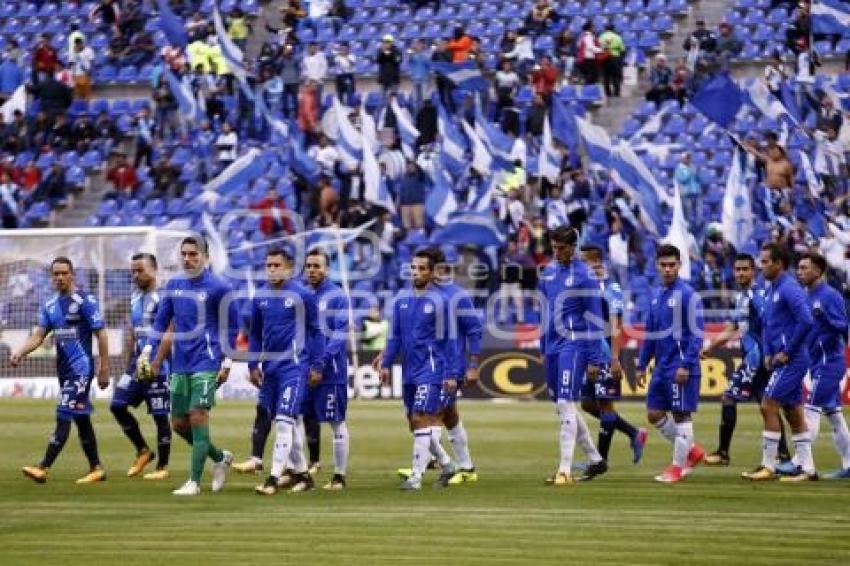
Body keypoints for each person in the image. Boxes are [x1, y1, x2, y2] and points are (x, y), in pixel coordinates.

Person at [136, 236, 237, 496]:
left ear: (205, 256)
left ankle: (194, 481)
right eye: (184, 254)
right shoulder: (174, 285)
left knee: (197, 416)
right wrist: (147, 351)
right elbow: (161, 322)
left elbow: (232, 327)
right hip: (180, 363)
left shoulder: (219, 287)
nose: (188, 258)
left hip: (207, 360)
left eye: (194, 254)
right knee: (179, 424)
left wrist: (226, 362)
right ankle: (220, 457)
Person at [14, 257, 110, 484]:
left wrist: (104, 367)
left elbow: (101, 333)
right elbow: (38, 336)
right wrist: (21, 352)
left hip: (81, 370)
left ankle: (43, 467)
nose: (59, 277)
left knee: (63, 413)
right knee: (81, 417)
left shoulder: (85, 301)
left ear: (72, 274)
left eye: (63, 273)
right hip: (64, 372)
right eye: (55, 274)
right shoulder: (50, 306)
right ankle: (96, 468)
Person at [701, 254, 794, 470]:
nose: (741, 273)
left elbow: (769, 325)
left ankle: (723, 453)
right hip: (754, 357)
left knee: (729, 398)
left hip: (757, 358)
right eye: (737, 269)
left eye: (745, 269)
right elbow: (734, 327)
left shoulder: (757, 295)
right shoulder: (741, 297)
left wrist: (767, 355)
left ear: (754, 271)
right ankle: (783, 456)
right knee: (767, 407)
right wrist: (711, 347)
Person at [380, 248, 456, 490]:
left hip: (431, 368)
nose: (417, 272)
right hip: (410, 369)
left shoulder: (441, 301)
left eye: (422, 268)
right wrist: (385, 364)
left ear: (432, 273)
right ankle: (446, 463)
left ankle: (416, 477)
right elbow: (395, 338)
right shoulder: (401, 299)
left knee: (420, 416)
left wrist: (452, 373)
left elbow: (450, 340)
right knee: (413, 422)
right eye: (414, 268)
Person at [251, 248, 325, 495]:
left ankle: (272, 479)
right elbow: (254, 333)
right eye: (268, 265)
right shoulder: (259, 295)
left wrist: (317, 365)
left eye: (277, 265)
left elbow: (316, 332)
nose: (272, 269)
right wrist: (253, 364)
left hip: (294, 368)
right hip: (269, 370)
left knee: (284, 422)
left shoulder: (302, 294)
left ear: (289, 269)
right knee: (287, 424)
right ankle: (304, 477)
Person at [538, 226, 608, 485]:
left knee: (566, 401)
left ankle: (564, 470)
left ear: (573, 247)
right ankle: (595, 459)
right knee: (561, 405)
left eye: (562, 248)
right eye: (553, 247)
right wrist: (543, 347)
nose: (557, 252)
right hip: (554, 345)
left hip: (575, 342)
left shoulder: (585, 276)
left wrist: (595, 359)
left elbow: (595, 319)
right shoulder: (547, 273)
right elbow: (544, 313)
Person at [742, 243, 815, 482]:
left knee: (767, 404)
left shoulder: (789, 289)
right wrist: (766, 352)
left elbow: (806, 321)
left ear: (779, 264)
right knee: (793, 412)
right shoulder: (772, 288)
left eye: (765, 262)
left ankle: (768, 465)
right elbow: (767, 324)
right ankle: (807, 468)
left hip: (792, 360)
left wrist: (787, 351)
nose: (761, 267)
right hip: (779, 358)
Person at [636, 244, 706, 484]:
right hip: (661, 366)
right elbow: (650, 335)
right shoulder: (656, 297)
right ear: (657, 265)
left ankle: (677, 468)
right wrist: (641, 364)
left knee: (681, 415)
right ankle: (692, 451)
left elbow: (697, 335)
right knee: (654, 414)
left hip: (680, 366)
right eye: (663, 265)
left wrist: (686, 364)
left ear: (679, 265)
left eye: (671, 265)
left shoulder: (688, 295)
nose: (667, 269)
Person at [579, 245, 648, 468]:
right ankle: (633, 433)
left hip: (606, 354)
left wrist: (614, 358)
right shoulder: (588, 287)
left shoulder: (611, 288)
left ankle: (600, 461)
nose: (579, 266)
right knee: (588, 404)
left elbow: (617, 324)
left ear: (596, 261)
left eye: (583, 261)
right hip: (590, 353)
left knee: (605, 406)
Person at [110, 254, 173, 481]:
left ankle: (162, 466)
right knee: (117, 405)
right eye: (133, 271)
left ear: (154, 270)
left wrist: (158, 363)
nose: (135, 275)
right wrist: (129, 362)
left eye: (140, 270)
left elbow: (170, 332)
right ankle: (143, 450)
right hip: (137, 364)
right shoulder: (135, 298)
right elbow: (133, 332)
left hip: (159, 365)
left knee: (160, 415)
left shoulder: (165, 297)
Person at [430, 247, 482, 486]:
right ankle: (466, 467)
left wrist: (473, 365)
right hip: (426, 366)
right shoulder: (421, 294)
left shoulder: (458, 295)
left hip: (451, 365)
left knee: (430, 415)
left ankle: (437, 466)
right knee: (448, 415)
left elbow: (474, 330)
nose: (443, 271)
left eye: (446, 266)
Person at [796, 253, 850, 480]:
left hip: (830, 362)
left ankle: (801, 464)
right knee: (834, 416)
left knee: (811, 410)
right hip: (817, 362)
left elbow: (844, 328)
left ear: (818, 271)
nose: (799, 272)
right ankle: (849, 464)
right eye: (798, 268)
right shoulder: (806, 295)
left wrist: (827, 319)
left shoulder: (830, 296)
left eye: (804, 268)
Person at [301, 248, 351, 490]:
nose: (312, 270)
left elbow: (340, 334)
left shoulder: (337, 296)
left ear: (327, 269)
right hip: (303, 368)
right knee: (294, 418)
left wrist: (321, 363)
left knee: (335, 422)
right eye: (308, 266)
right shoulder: (301, 295)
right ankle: (300, 473)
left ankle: (340, 476)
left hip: (330, 370)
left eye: (316, 266)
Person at [598, 24, 624, 97]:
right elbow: (622, 49)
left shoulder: (601, 37)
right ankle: (617, 93)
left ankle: (608, 94)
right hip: (615, 57)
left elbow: (598, 47)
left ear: (605, 29)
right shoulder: (617, 37)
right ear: (613, 29)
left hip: (604, 57)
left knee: (606, 76)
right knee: (616, 76)